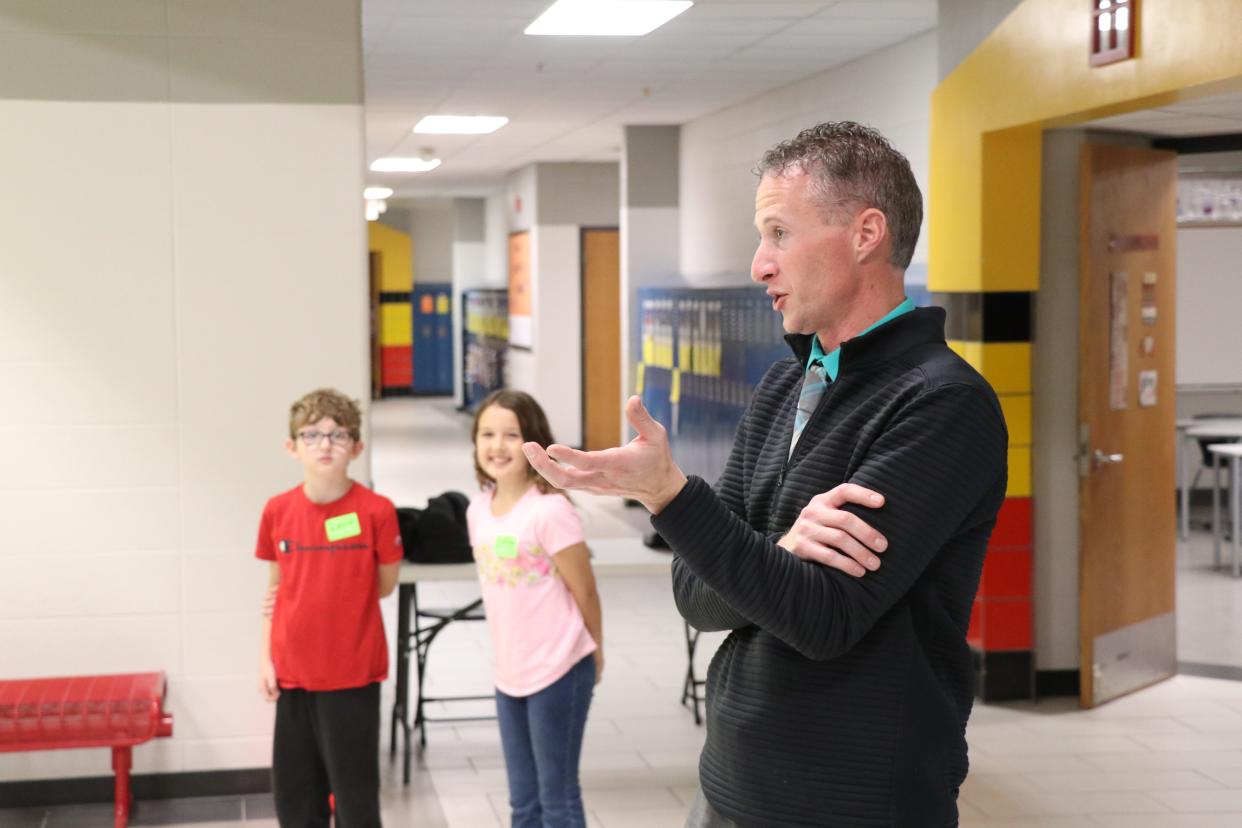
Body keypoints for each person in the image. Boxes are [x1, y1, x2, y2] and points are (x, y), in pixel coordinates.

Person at [523, 122, 1008, 827]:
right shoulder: (787, 386)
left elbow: (822, 618)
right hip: (733, 779)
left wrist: (671, 497)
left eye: (779, 232)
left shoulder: (942, 404)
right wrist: (777, 551)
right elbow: (698, 596)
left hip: (855, 802)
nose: (759, 265)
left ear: (866, 233)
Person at [255, 388, 402, 827]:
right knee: (297, 801)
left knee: (356, 800)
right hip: (293, 677)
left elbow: (384, 585)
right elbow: (274, 594)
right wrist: (265, 658)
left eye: (338, 435)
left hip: (352, 677)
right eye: (313, 434)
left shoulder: (376, 511)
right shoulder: (277, 511)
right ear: (292, 446)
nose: (324, 444)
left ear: (356, 447)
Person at [467, 389, 604, 828]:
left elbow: (584, 589)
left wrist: (595, 650)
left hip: (560, 668)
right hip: (509, 672)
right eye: (487, 433)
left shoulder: (550, 510)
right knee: (522, 802)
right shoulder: (477, 510)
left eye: (511, 434)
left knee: (557, 798)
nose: (497, 445)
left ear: (534, 443)